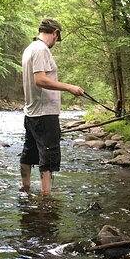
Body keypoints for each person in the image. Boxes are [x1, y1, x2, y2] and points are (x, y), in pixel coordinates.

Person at [20, 18, 84, 195]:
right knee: (47, 155)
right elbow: (40, 80)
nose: (56, 41)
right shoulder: (41, 49)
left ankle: (24, 189)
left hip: (31, 112)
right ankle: (46, 196)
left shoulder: (29, 49)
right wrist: (69, 87)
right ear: (55, 33)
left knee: (29, 152)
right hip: (45, 112)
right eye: (58, 37)